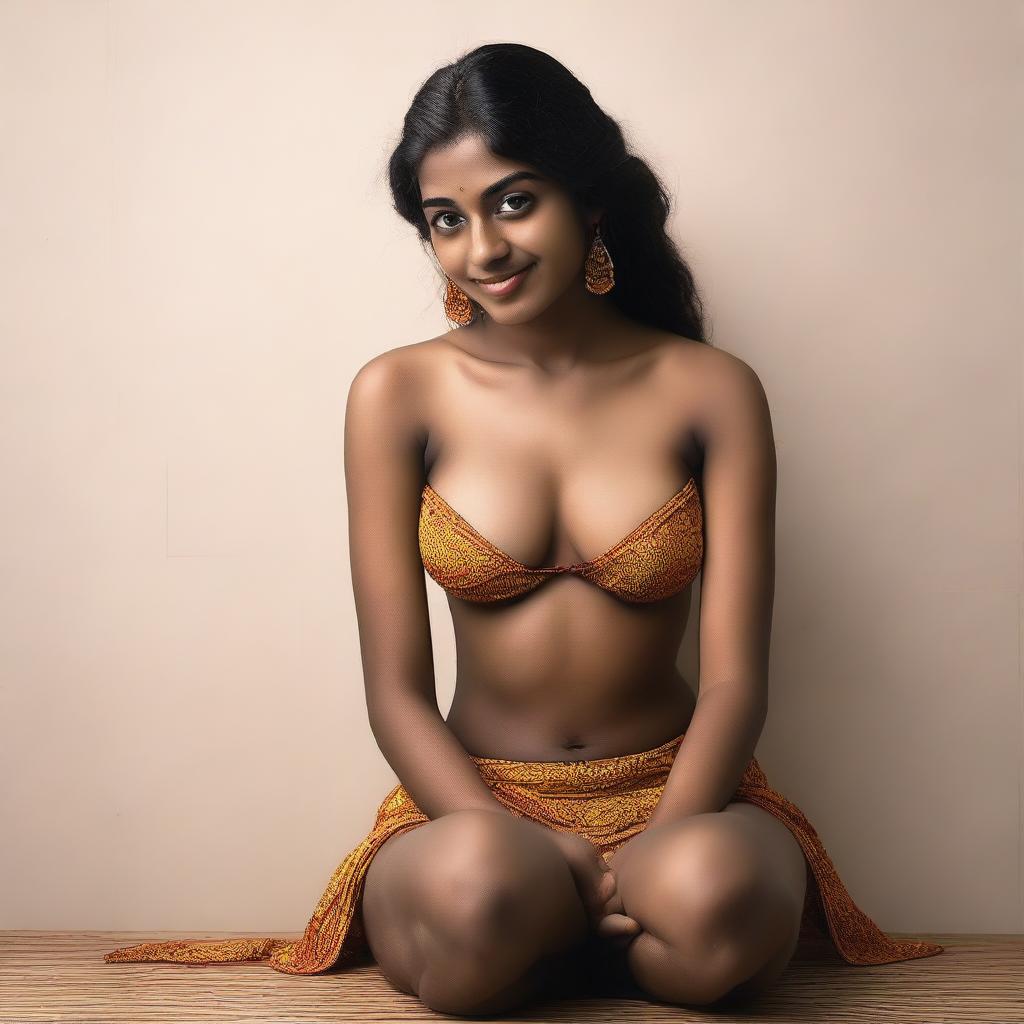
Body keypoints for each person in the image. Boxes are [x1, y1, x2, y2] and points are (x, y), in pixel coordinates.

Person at [104, 41, 943, 1013]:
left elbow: (733, 680)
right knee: (477, 893)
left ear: (589, 201)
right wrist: (513, 838)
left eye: (513, 201)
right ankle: (542, 917)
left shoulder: (708, 390)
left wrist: (665, 834)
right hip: (476, 805)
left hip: (681, 791)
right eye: (445, 220)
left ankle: (588, 929)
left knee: (712, 901)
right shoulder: (397, 393)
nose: (483, 249)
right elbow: (395, 692)